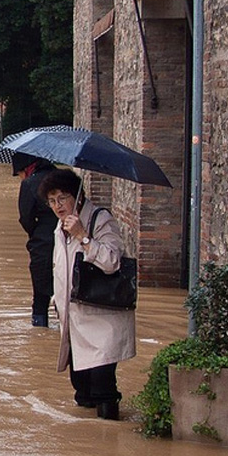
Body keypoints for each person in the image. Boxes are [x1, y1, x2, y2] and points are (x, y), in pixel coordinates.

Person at [38, 168, 135, 420]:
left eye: (62, 198)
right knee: (82, 391)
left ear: (78, 196)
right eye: (51, 200)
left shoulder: (101, 220)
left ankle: (108, 443)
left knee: (103, 389)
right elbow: (60, 269)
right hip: (73, 320)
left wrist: (83, 236)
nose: (57, 206)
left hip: (101, 318)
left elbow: (112, 260)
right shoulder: (59, 227)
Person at [12, 152, 56, 327]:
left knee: (40, 294)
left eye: (19, 174)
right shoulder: (63, 179)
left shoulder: (29, 184)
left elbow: (26, 218)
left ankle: (40, 328)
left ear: (25, 169)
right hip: (70, 242)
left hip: (42, 245)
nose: (20, 178)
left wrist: (36, 234)